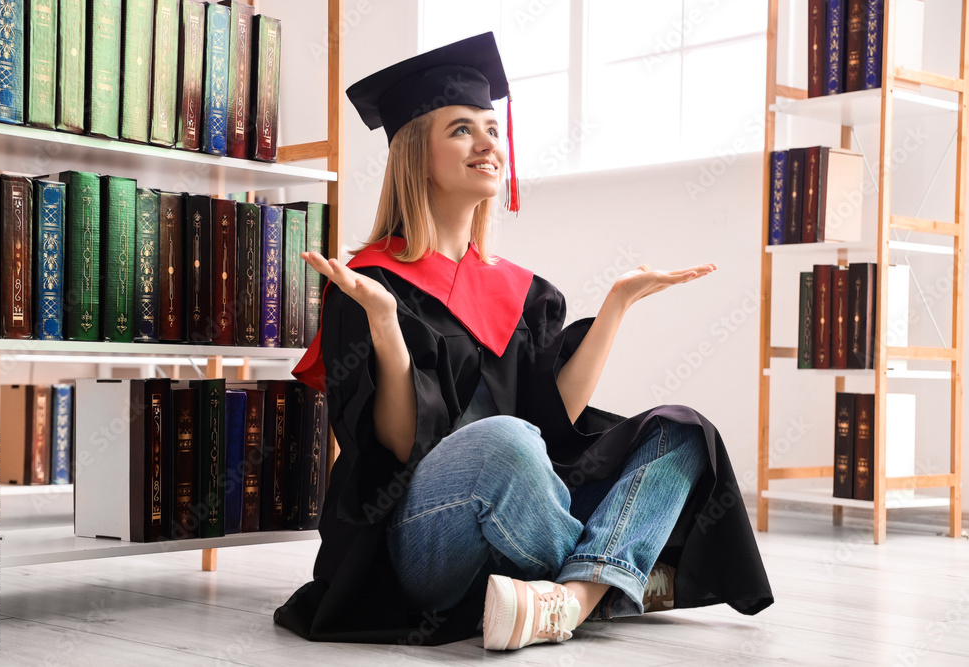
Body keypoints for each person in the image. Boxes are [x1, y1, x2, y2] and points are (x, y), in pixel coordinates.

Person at [274, 32, 773, 651]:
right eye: (461, 129)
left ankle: (565, 599)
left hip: (523, 517)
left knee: (682, 430)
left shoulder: (522, 292)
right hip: (424, 539)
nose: (488, 143)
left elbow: (553, 417)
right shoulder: (370, 284)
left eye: (491, 127)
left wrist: (616, 305)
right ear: (414, 155)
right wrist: (384, 323)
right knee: (507, 442)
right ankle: (608, 582)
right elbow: (399, 445)